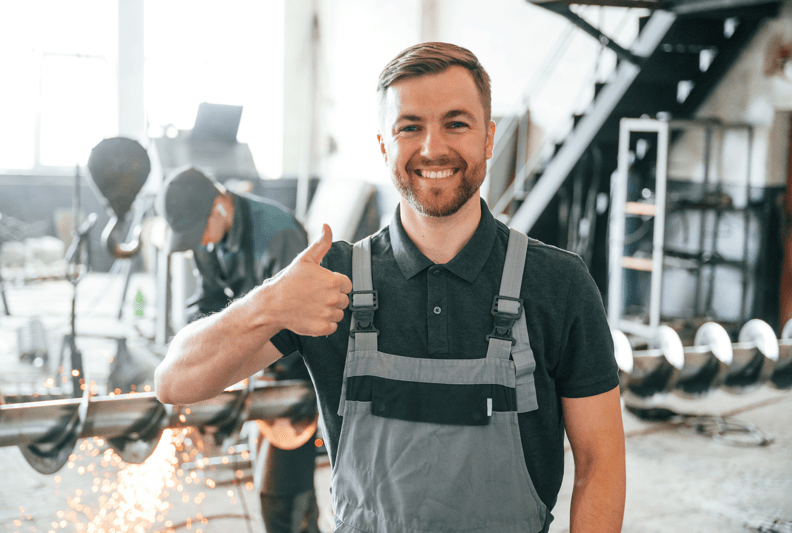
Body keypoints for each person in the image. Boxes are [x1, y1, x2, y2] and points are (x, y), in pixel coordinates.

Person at [155, 42, 626, 533]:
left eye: (456, 123)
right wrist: (268, 303)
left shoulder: (558, 284)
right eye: (410, 127)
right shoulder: (331, 281)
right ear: (384, 145)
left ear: (489, 138)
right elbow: (175, 383)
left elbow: (601, 462)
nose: (433, 147)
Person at [157, 167, 320, 533]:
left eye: (200, 231)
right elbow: (208, 302)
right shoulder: (208, 237)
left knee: (281, 497)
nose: (199, 242)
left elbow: (299, 324)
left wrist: (245, 363)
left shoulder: (279, 233)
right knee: (285, 495)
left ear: (219, 208)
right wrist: (197, 359)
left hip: (297, 375)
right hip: (258, 369)